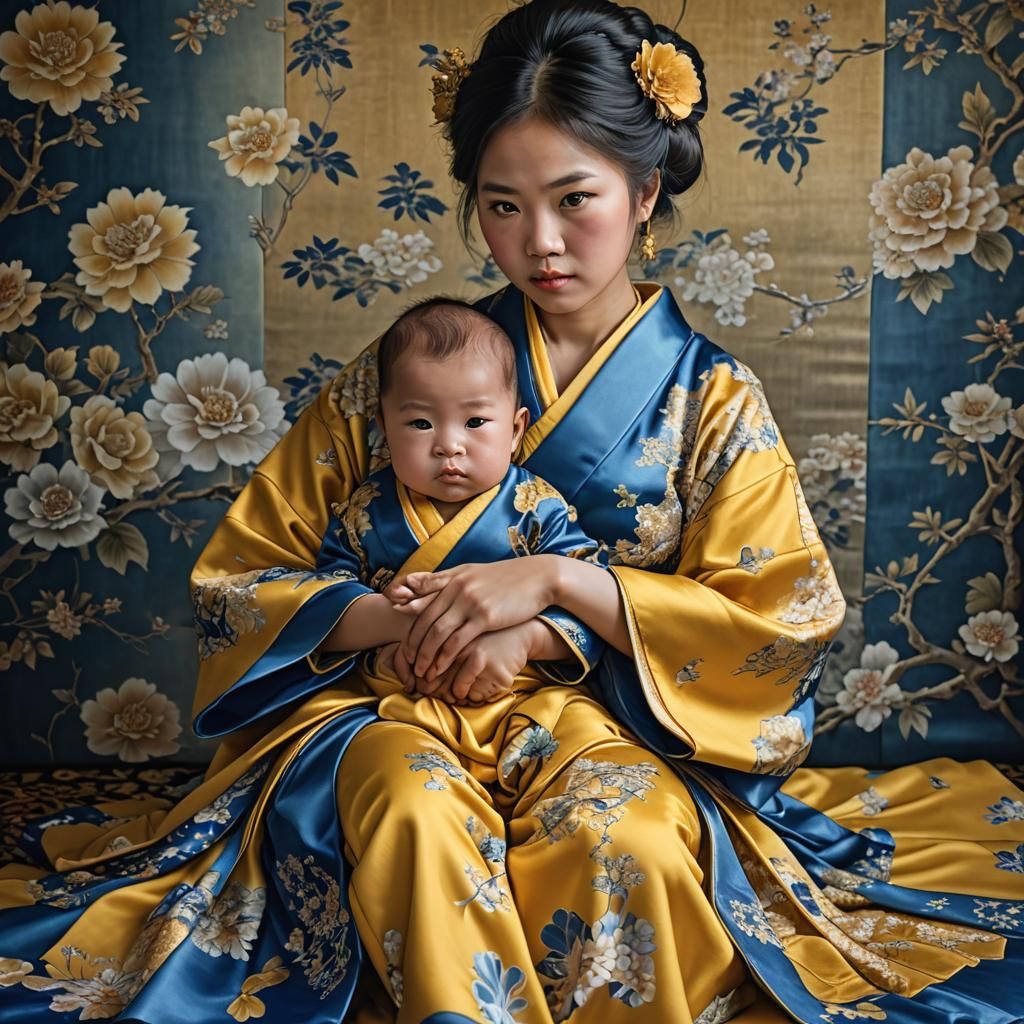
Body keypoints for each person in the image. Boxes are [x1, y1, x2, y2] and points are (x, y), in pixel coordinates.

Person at [0, 1, 1021, 1022]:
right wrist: (403, 625)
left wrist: (551, 595)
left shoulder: (710, 400)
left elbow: (775, 624)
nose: (538, 244)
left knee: (620, 838)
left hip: (608, 726)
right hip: (386, 701)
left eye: (574, 199)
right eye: (500, 206)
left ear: (645, 185)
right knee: (413, 813)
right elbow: (240, 580)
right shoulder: (407, 373)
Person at [313, 294, 610, 713]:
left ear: (514, 429)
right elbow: (321, 607)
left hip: (523, 699)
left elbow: (591, 612)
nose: (449, 446)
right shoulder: (366, 509)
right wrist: (386, 626)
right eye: (420, 423)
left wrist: (525, 639)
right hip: (396, 703)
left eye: (475, 422)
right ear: (384, 428)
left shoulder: (536, 508)